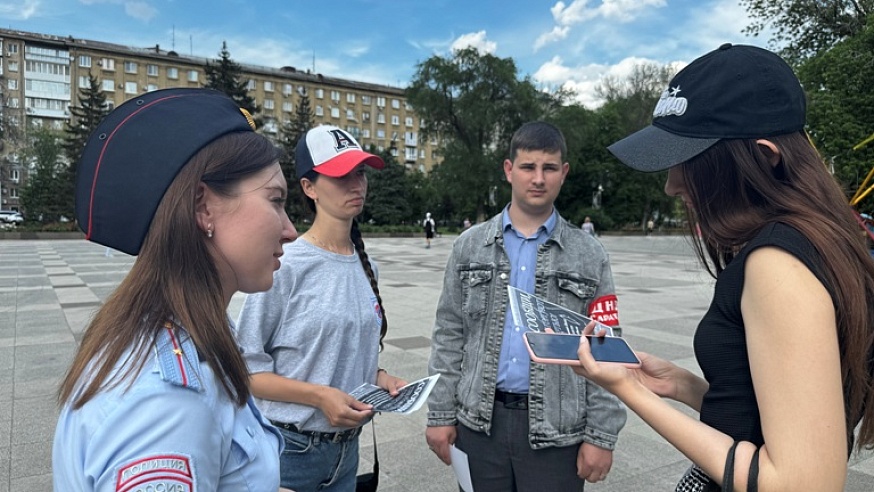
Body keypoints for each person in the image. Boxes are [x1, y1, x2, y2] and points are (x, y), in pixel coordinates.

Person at [576, 43, 874, 491]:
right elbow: (775, 417)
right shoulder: (818, 240)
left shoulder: (778, 263)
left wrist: (628, 391)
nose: (672, 184)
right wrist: (685, 387)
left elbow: (802, 482)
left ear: (765, 156)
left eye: (689, 161)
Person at [53, 88, 298, 491]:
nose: (290, 230)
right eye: (276, 200)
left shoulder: (189, 330)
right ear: (203, 207)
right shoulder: (169, 405)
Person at [426, 121, 627, 491]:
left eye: (549, 168)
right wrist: (440, 412)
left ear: (563, 173)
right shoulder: (469, 246)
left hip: (558, 430)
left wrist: (601, 435)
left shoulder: (589, 254)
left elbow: (607, 347)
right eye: (528, 167)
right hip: (479, 424)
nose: (538, 178)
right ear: (508, 170)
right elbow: (449, 334)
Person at [234, 124, 407, 491]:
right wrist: (318, 396)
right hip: (290, 451)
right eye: (341, 175)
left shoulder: (366, 265)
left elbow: (336, 353)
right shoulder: (285, 263)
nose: (356, 184)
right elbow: (244, 370)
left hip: (347, 452)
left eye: (360, 172)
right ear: (309, 187)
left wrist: (380, 378)